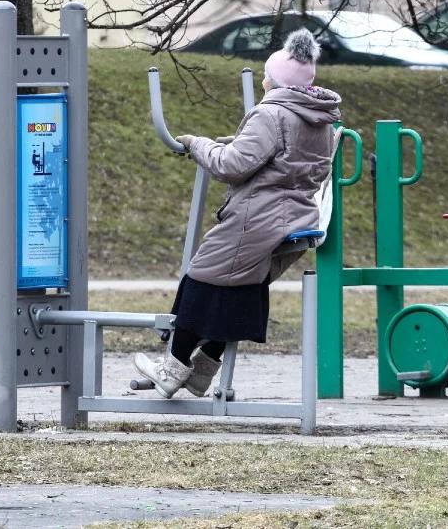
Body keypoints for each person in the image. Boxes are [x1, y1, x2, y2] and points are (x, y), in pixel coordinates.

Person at [134, 29, 342, 398]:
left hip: (259, 217)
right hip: (298, 219)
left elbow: (232, 166)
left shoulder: (271, 113)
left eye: (267, 75)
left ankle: (172, 367)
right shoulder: (320, 119)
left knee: (202, 276)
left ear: (277, 81)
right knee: (245, 286)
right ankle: (201, 372)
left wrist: (197, 143)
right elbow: (289, 157)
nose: (263, 80)